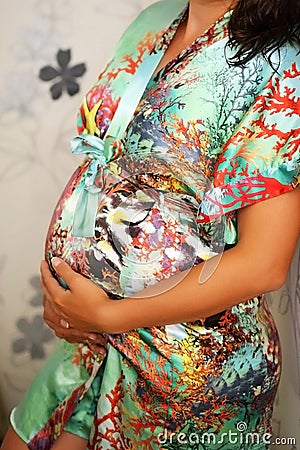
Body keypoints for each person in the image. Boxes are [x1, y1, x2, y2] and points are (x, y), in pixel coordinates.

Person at [2, 0, 300, 448]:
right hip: (94, 341)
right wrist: (74, 299)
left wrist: (109, 314)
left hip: (190, 367)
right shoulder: (158, 19)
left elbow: (265, 263)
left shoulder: (285, 61)